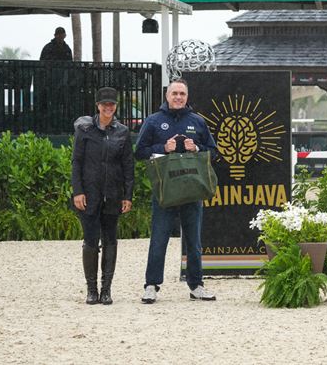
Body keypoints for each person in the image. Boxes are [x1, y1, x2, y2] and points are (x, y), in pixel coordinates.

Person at [135, 78, 218, 303]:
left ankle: (196, 286)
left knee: (194, 241)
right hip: (165, 192)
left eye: (182, 93)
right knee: (159, 238)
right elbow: (139, 151)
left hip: (192, 191)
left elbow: (214, 151)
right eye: (175, 93)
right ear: (167, 96)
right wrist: (163, 148)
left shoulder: (198, 121)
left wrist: (197, 147)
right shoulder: (153, 121)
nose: (178, 97)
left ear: (187, 97)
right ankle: (151, 285)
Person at [71, 87, 134, 305]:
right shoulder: (85, 130)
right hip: (89, 194)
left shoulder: (122, 132)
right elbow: (76, 162)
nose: (108, 107)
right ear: (97, 106)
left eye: (112, 104)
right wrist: (77, 190)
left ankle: (106, 289)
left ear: (116, 106)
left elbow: (128, 166)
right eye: (104, 104)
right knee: (90, 240)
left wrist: (128, 195)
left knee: (110, 240)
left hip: (113, 195)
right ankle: (91, 289)